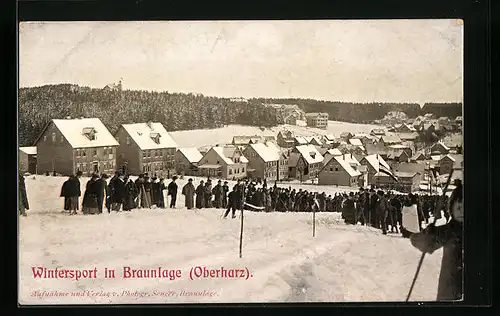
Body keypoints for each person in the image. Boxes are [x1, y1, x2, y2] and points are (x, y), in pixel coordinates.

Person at [410, 181, 463, 301]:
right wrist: (429, 234)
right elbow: (419, 242)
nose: (462, 212)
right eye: (459, 207)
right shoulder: (449, 231)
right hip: (451, 290)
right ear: (452, 208)